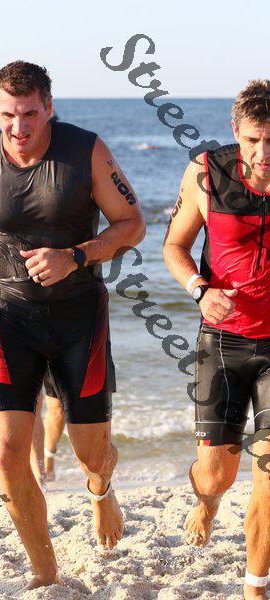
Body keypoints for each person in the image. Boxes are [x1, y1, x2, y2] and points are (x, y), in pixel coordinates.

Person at [0, 60, 145, 591]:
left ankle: (100, 490)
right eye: (7, 115)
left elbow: (132, 223)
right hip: (9, 318)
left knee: (91, 454)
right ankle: (45, 572)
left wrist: (76, 255)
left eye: (28, 114)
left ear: (48, 107)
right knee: (6, 454)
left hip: (78, 318)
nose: (18, 127)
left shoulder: (85, 151)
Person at [163, 79, 270, 600]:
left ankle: (255, 587)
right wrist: (199, 290)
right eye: (253, 140)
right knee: (215, 475)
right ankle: (206, 502)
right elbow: (175, 246)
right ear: (235, 131)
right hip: (223, 343)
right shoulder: (206, 173)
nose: (264, 153)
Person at [0, 260, 65, 485]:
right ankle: (39, 473)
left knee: (58, 409)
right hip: (21, 335)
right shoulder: (5, 248)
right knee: (33, 404)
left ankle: (49, 457)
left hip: (61, 330)